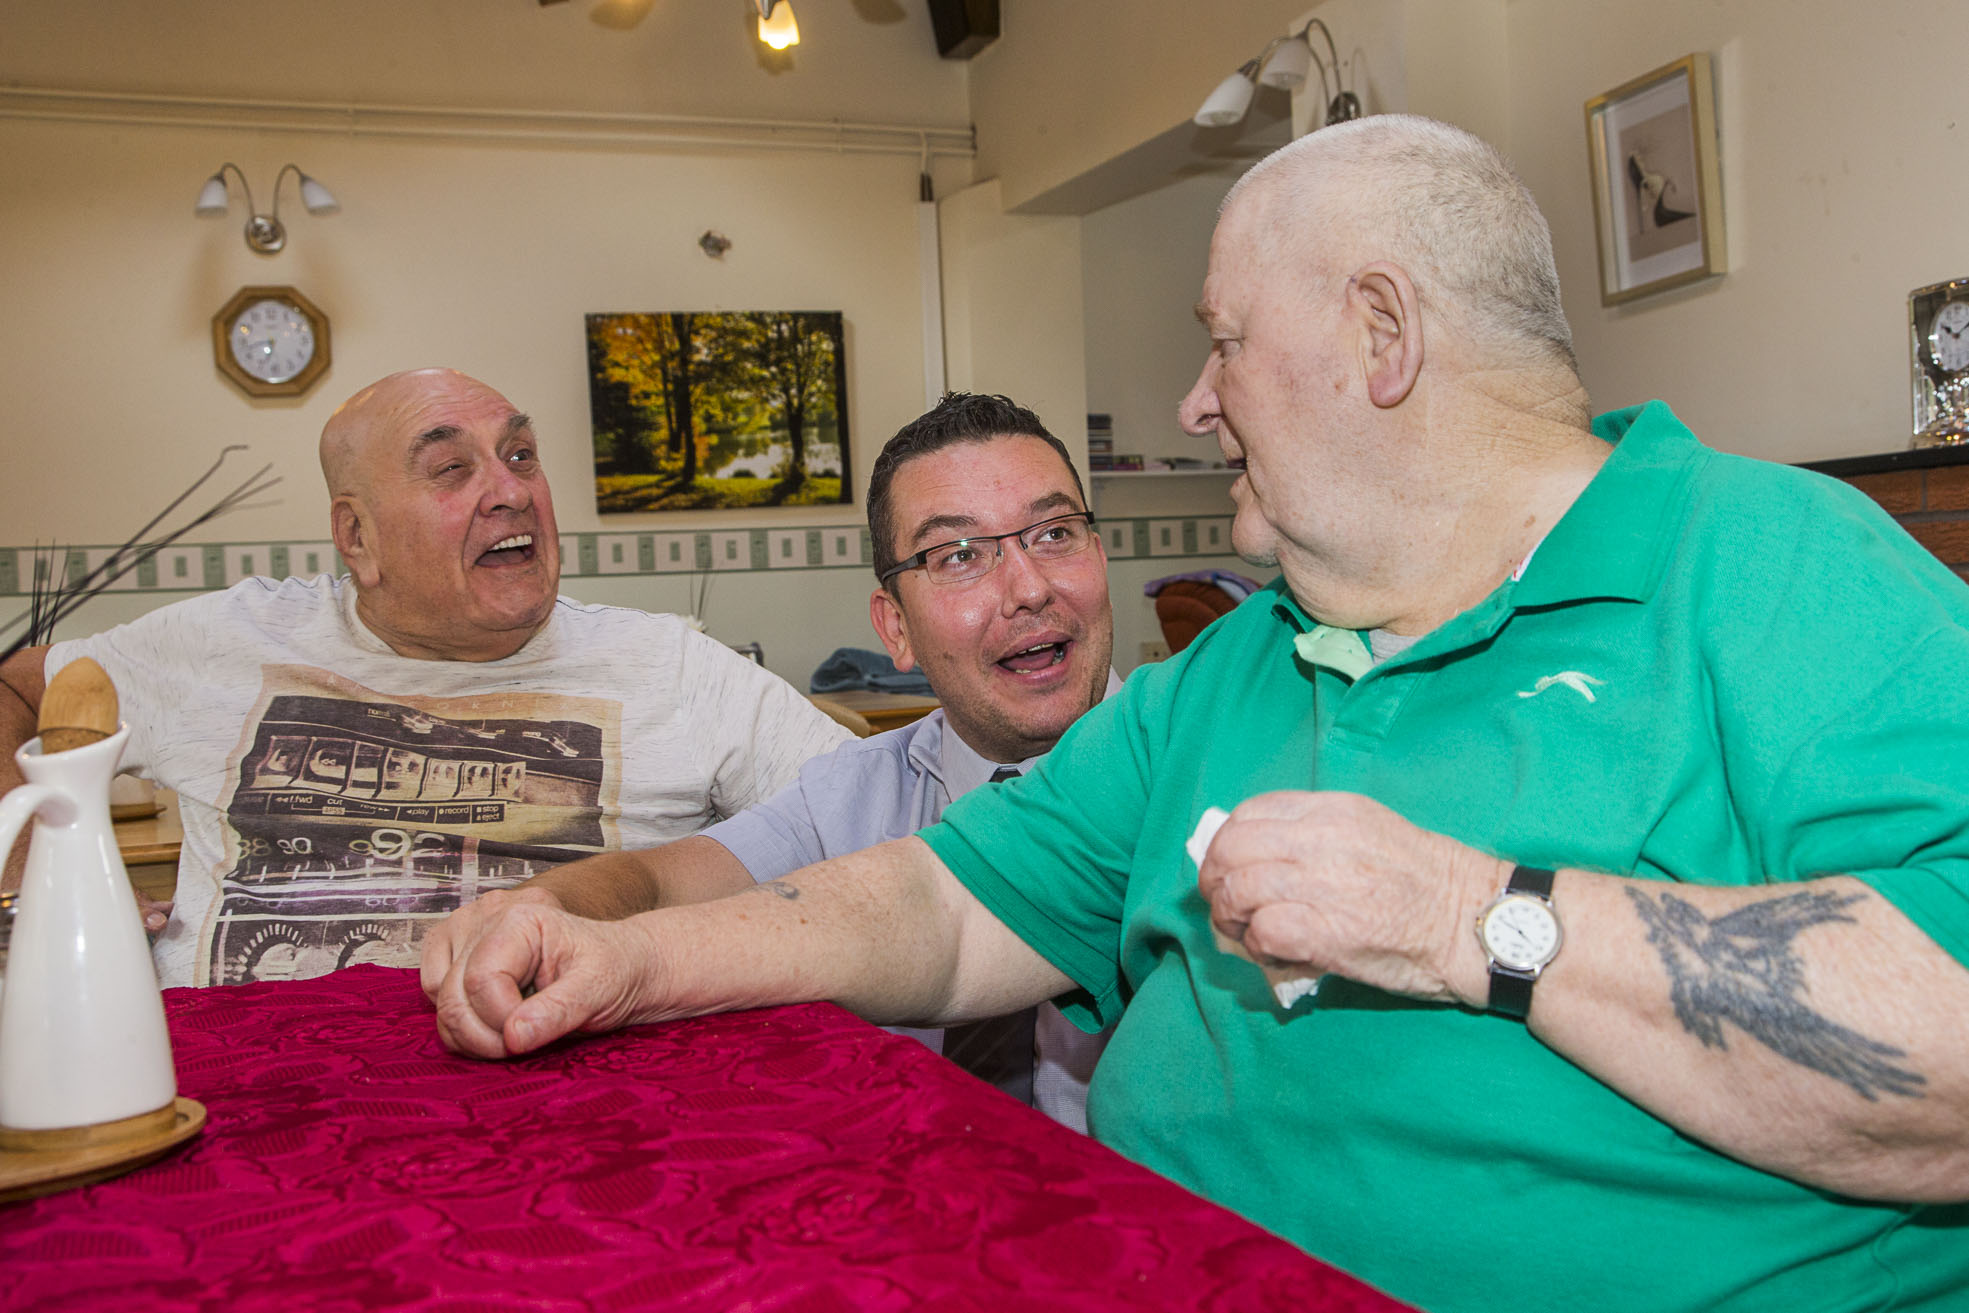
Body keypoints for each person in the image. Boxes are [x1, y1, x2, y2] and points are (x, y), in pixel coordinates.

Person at [424, 119, 1969, 1312]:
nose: (1193, 397)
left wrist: (1464, 917)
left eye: (1223, 337)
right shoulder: (1239, 661)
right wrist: (623, 958)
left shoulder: (1775, 570)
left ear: (1381, 333)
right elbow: (941, 905)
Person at [0, 368, 849, 988]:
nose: (510, 490)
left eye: (520, 455)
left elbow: (872, 812)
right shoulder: (224, 638)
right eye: (452, 469)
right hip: (241, 1096)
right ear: (357, 536)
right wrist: (24, 886)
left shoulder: (675, 667)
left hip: (565, 1090)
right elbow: (14, 687)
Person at [424, 393, 1117, 1129]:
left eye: (1053, 533)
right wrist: (543, 910)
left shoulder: (1204, 763)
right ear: (895, 628)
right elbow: (661, 879)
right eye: (959, 556)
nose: (1029, 588)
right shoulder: (855, 791)